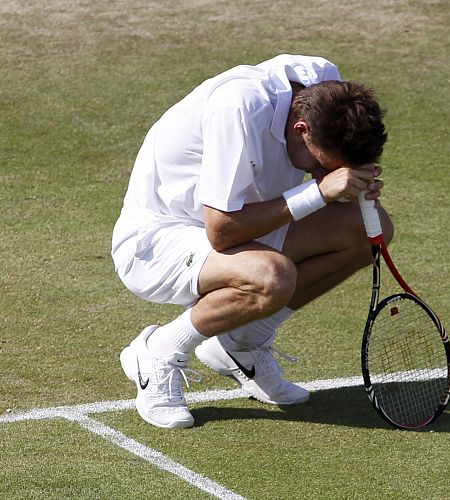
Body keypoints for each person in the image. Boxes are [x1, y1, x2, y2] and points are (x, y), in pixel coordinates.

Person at [111, 54, 391, 429]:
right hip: (158, 242)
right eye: (322, 162)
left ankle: (241, 344)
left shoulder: (325, 85)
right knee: (271, 277)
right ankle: (159, 350)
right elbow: (222, 231)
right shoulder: (238, 108)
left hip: (246, 226)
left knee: (369, 230)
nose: (321, 172)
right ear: (302, 127)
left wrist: (350, 184)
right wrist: (319, 192)